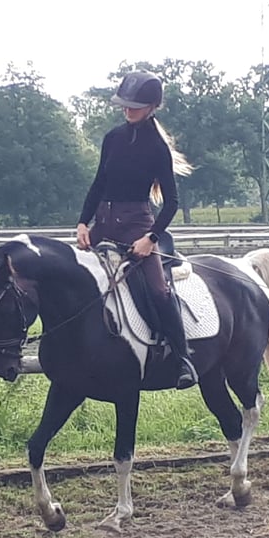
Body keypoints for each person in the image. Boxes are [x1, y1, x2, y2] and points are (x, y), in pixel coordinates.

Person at [76, 70, 198, 389]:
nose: (128, 110)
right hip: (103, 222)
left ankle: (182, 358)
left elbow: (171, 202)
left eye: (135, 106)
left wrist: (150, 238)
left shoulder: (157, 147)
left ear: (152, 107)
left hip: (137, 225)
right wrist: (82, 223)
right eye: (125, 105)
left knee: (158, 290)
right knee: (72, 275)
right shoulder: (112, 138)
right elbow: (98, 184)